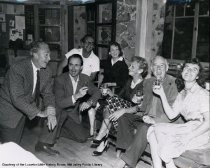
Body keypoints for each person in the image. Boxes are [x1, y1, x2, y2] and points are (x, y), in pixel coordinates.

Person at [114, 56, 181, 168]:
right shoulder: (148, 82)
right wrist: (137, 103)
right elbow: (143, 107)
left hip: (162, 121)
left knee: (144, 127)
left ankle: (126, 160)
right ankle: (129, 151)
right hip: (145, 117)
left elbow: (173, 112)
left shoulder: (174, 83)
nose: (158, 68)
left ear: (167, 67)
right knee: (124, 117)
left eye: (161, 65)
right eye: (155, 65)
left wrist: (154, 120)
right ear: (152, 68)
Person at [147, 58, 210, 168]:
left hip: (200, 132)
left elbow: (208, 122)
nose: (189, 71)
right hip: (187, 127)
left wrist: (189, 136)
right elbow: (171, 115)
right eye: (187, 67)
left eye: (194, 69)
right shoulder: (182, 93)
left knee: (157, 131)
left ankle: (168, 164)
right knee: (153, 129)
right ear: (182, 72)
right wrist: (161, 94)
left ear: (198, 76)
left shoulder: (202, 93)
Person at [0, 41, 58, 156]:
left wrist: (51, 111)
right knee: (10, 151)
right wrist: (40, 113)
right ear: (35, 54)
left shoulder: (46, 71)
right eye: (46, 55)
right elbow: (17, 98)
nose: (49, 58)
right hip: (8, 111)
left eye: (49, 55)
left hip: (25, 109)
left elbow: (48, 94)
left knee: (13, 148)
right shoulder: (18, 68)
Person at [92, 56, 148, 156]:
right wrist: (110, 93)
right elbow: (119, 97)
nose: (129, 68)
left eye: (132, 67)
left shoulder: (144, 85)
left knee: (109, 104)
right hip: (122, 107)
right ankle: (104, 135)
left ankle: (103, 135)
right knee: (110, 100)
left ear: (140, 70)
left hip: (134, 113)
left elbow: (140, 107)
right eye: (130, 65)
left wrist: (122, 109)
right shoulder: (129, 82)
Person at [55, 54, 101, 142]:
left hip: (72, 114)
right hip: (59, 113)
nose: (73, 68)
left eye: (76, 65)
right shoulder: (60, 79)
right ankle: (56, 130)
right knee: (53, 136)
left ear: (81, 67)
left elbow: (97, 91)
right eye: (71, 64)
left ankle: (60, 131)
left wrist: (89, 102)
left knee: (82, 138)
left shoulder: (85, 78)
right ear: (68, 65)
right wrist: (76, 96)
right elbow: (59, 103)